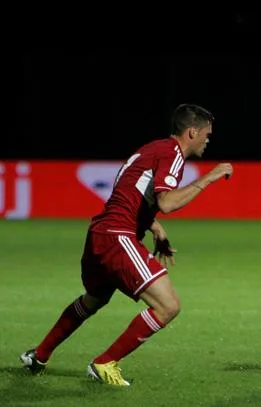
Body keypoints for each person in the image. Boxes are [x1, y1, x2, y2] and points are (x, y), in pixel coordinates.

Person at [20, 104, 233, 386]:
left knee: (94, 299)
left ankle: (39, 355)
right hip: (117, 236)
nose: (208, 140)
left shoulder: (153, 148)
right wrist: (209, 178)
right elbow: (167, 203)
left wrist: (153, 226)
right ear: (192, 132)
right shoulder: (173, 154)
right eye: (207, 134)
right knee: (168, 306)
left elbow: (129, 191)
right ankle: (105, 363)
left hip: (101, 233)